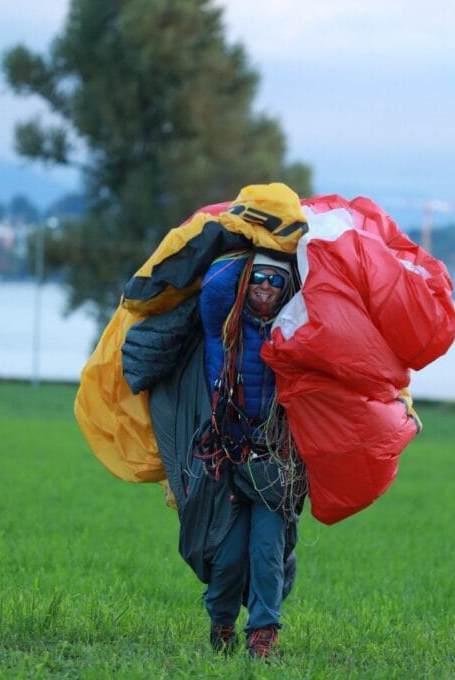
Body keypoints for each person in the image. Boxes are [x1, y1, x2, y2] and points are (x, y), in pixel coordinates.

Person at [195, 249, 306, 659]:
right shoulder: (222, 327)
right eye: (260, 277)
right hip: (225, 457)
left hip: (276, 462)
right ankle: (222, 623)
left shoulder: (296, 331)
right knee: (226, 556)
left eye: (277, 281)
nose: (266, 286)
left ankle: (263, 634)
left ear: (288, 288)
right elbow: (213, 287)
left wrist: (299, 261)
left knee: (266, 552)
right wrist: (253, 245)